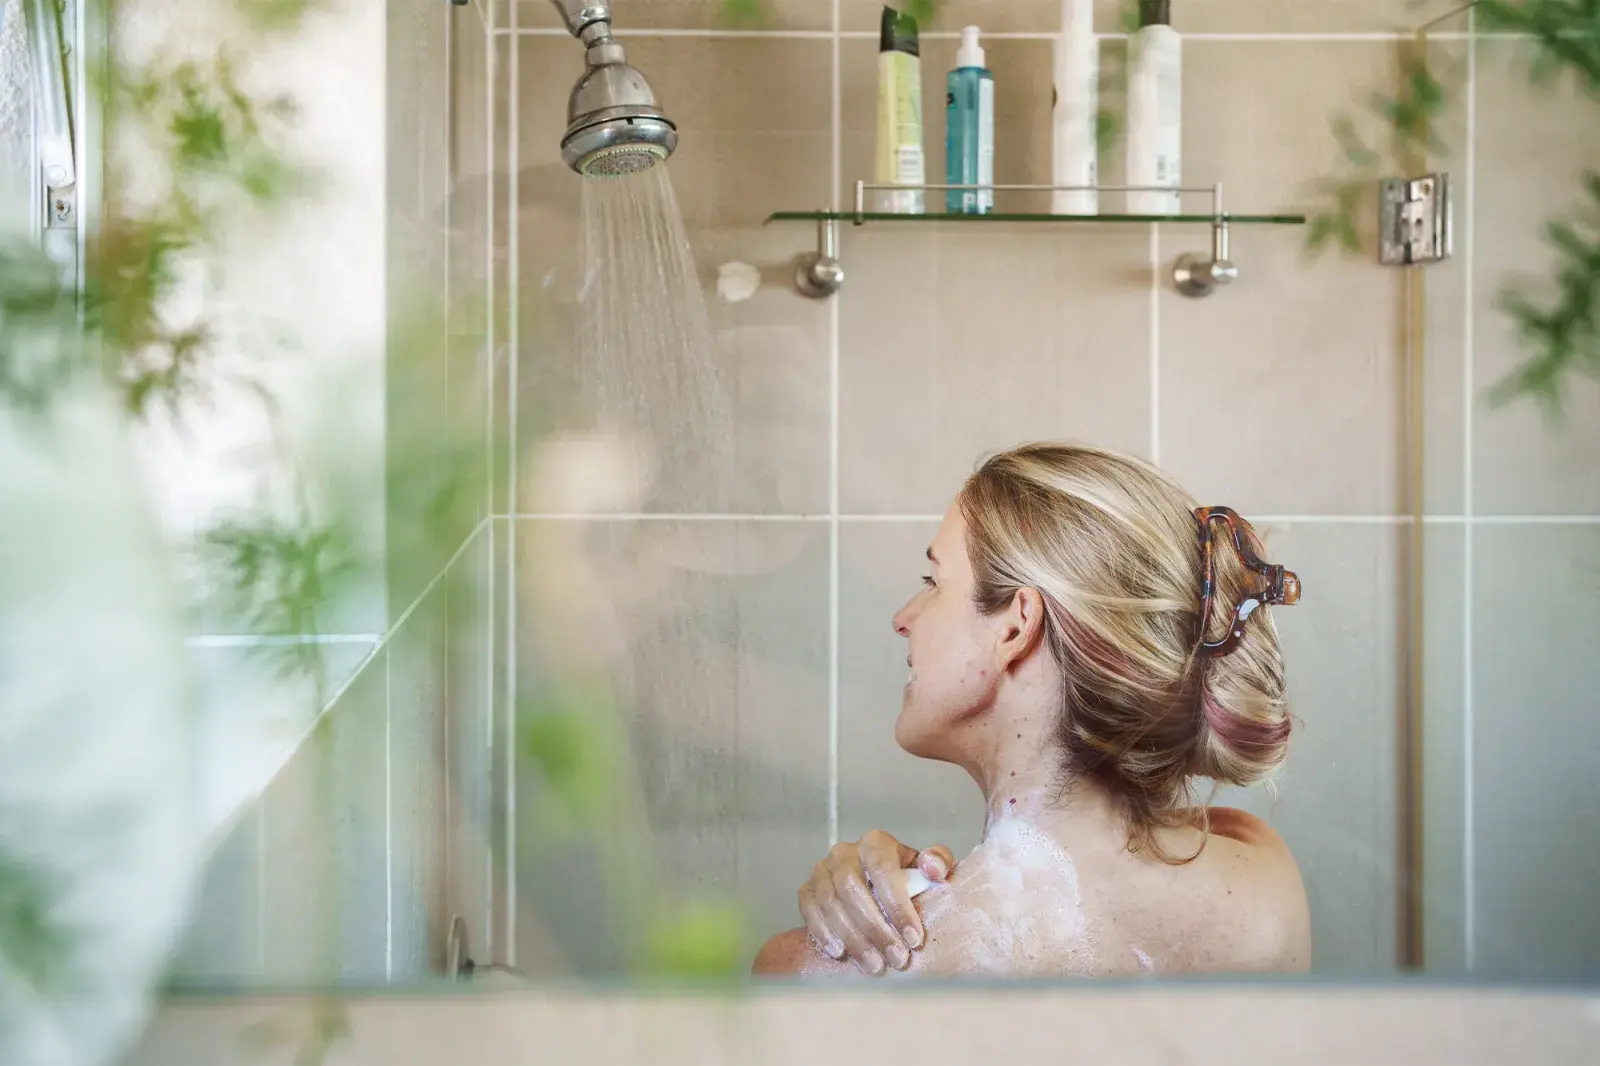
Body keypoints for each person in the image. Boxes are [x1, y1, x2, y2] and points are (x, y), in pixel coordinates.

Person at [752, 442, 1311, 979]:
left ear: (1016, 626)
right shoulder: (1266, 878)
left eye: (933, 582)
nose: (904, 616)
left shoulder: (821, 974)